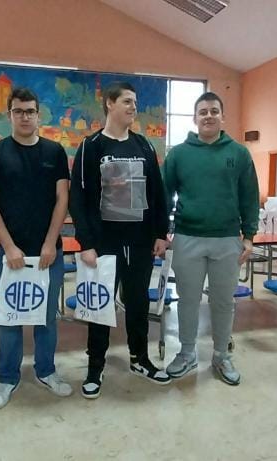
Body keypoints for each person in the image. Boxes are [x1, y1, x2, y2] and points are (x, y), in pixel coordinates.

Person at [69, 81, 171, 398]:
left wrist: (160, 232)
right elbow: (78, 198)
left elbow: (158, 193)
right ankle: (95, 366)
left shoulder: (144, 146)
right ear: (109, 104)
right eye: (127, 101)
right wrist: (86, 243)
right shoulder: (91, 146)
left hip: (140, 242)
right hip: (104, 244)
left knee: (138, 303)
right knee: (100, 307)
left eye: (135, 102)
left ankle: (140, 359)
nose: (133, 107)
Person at [0, 87, 73, 410]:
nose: (25, 117)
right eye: (18, 111)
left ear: (37, 115)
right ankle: (7, 378)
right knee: (9, 320)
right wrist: (9, 246)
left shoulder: (54, 152)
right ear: (9, 115)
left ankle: (47, 371)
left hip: (48, 253)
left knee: (47, 317)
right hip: (9, 254)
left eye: (30, 111)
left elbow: (62, 199)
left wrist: (50, 243)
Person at [161, 92, 259, 386]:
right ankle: (187, 353)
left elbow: (249, 197)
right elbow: (164, 194)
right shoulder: (178, 154)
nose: (208, 116)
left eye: (214, 111)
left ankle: (221, 355)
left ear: (222, 117)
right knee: (188, 300)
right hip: (187, 237)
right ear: (195, 118)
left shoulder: (239, 154)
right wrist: (161, 232)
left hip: (227, 240)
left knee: (223, 301)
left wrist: (249, 236)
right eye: (203, 111)